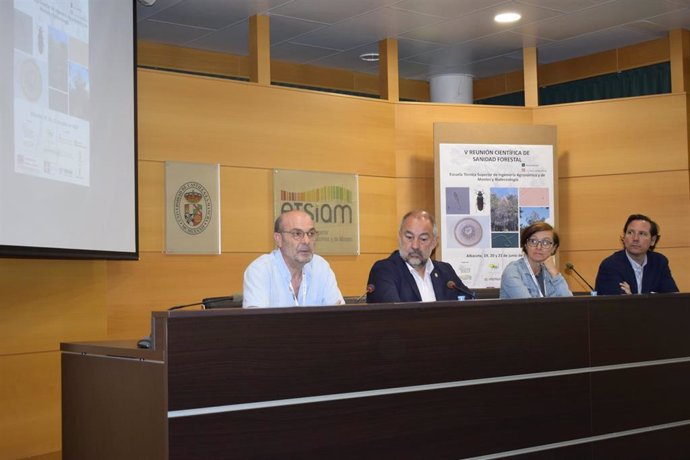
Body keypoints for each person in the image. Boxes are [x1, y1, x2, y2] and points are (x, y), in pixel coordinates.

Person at [366, 210, 473, 303]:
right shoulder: (384, 271)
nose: (415, 246)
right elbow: (394, 317)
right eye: (409, 237)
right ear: (399, 237)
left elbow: (469, 306)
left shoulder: (445, 272)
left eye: (423, 239)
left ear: (434, 242)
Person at [242, 210, 344, 307]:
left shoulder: (321, 267)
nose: (306, 241)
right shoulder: (259, 271)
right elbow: (257, 323)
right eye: (297, 234)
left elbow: (340, 317)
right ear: (278, 239)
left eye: (311, 234)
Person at [595, 214, 678, 295]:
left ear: (653, 240)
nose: (635, 238)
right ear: (624, 237)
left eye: (642, 234)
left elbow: (673, 300)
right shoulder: (610, 265)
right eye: (630, 232)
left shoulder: (659, 262)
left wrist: (632, 297)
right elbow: (618, 306)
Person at [500, 222, 572, 299]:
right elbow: (530, 308)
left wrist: (555, 273)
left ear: (554, 248)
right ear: (525, 244)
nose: (538, 247)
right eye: (533, 241)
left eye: (545, 242)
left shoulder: (549, 273)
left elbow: (570, 305)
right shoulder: (513, 271)